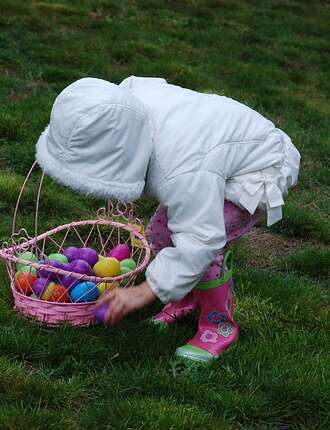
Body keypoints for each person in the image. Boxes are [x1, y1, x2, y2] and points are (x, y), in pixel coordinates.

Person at [36, 76, 300, 362]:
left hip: (260, 166)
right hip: (213, 149)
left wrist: (145, 292)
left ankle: (218, 326)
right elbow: (146, 83)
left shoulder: (181, 169)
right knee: (161, 234)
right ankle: (186, 296)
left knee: (207, 251)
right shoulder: (124, 105)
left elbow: (201, 239)